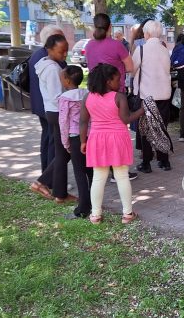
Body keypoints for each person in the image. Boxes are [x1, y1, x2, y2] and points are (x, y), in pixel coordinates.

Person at [80, 64, 144, 225]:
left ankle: (95, 215)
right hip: (117, 138)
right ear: (108, 81)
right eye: (117, 79)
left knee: (98, 178)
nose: (120, 82)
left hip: (96, 139)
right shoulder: (119, 97)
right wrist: (142, 110)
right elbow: (126, 119)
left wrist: (83, 141)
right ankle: (127, 213)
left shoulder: (87, 97)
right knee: (122, 176)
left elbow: (83, 122)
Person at [85, 13, 137, 180]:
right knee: (117, 130)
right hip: (115, 95)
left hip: (95, 93)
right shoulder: (117, 45)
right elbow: (130, 67)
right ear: (110, 27)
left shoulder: (89, 45)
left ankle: (102, 167)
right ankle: (118, 170)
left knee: (99, 129)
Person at [30, 34, 77, 203]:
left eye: (66, 50)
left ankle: (60, 193)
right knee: (67, 151)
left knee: (62, 152)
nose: (64, 54)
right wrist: (74, 99)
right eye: (61, 51)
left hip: (52, 112)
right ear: (49, 50)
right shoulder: (52, 69)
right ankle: (41, 182)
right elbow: (58, 97)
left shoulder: (46, 64)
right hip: (58, 113)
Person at [132, 20, 172, 172]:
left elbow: (132, 70)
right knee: (162, 127)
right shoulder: (165, 49)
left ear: (147, 33)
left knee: (145, 129)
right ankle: (164, 161)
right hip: (164, 94)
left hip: (147, 94)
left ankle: (146, 162)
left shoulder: (141, 49)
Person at [28, 24, 66, 173]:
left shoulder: (39, 56)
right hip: (50, 107)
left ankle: (47, 174)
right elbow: (56, 92)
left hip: (43, 106)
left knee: (48, 139)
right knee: (54, 143)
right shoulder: (51, 63)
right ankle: (50, 177)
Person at [58, 65, 91, 219]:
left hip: (75, 137)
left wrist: (65, 143)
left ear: (67, 80)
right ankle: (94, 202)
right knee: (91, 171)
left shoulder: (64, 98)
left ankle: (83, 208)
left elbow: (63, 122)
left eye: (62, 78)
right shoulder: (87, 93)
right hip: (90, 135)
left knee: (79, 173)